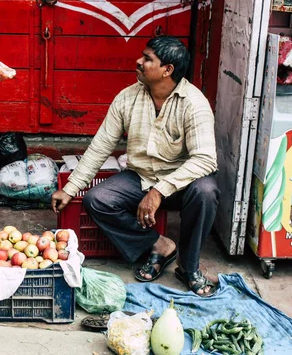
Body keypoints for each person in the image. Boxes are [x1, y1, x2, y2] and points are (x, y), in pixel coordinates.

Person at [51, 36, 220, 297]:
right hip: (140, 177)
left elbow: (205, 159)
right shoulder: (128, 97)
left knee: (206, 191)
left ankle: (188, 267)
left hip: (181, 184)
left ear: (168, 70)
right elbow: (101, 146)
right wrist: (71, 187)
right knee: (98, 199)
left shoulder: (194, 104)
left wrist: (160, 191)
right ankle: (158, 245)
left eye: (148, 59)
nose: (138, 62)